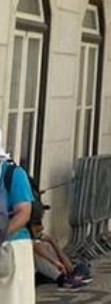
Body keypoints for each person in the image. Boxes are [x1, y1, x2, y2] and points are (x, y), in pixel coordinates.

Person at [0, 130, 36, 304]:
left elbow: (24, 212)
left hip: (13, 248)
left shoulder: (13, 174)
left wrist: (3, 232)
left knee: (13, 298)